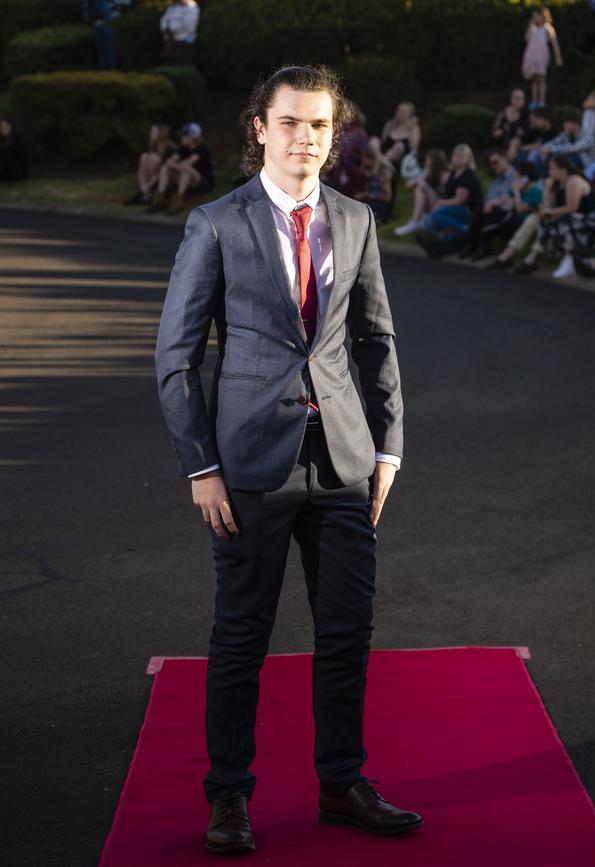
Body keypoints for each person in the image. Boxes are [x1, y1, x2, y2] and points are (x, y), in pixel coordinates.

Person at [155, 64, 421, 856]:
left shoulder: (356, 219)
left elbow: (376, 341)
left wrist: (390, 446)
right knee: (242, 635)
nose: (307, 137)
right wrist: (200, 465)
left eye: (320, 125)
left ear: (333, 135)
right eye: (292, 123)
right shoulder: (214, 224)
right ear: (260, 129)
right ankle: (229, 794)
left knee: (347, 630)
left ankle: (341, 782)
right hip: (248, 467)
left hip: (343, 462)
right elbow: (176, 356)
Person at [515, 154, 595, 278]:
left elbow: (571, 207)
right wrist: (547, 190)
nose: (549, 171)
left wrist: (548, 212)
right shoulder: (557, 184)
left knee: (561, 220)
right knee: (541, 219)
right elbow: (548, 206)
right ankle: (531, 255)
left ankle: (570, 258)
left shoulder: (573, 180)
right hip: (574, 218)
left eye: (552, 168)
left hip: (590, 218)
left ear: (562, 169)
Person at [415, 143, 482, 258]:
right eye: (456, 154)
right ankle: (438, 246)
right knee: (434, 217)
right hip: (454, 209)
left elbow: (459, 200)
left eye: (463, 155)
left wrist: (440, 203)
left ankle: (464, 230)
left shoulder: (468, 176)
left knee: (437, 216)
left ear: (469, 159)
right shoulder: (453, 174)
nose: (459, 157)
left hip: (467, 211)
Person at [458, 149, 515, 261]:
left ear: (505, 160)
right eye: (491, 164)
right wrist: (488, 204)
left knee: (485, 211)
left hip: (508, 214)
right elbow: (488, 199)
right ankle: (473, 245)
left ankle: (480, 246)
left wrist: (491, 204)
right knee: (480, 210)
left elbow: (510, 196)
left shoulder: (514, 175)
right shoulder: (496, 180)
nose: (493, 166)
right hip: (493, 212)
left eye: (495, 162)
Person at [488, 161, 544, 269]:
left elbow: (520, 209)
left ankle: (507, 257)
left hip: (523, 219)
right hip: (516, 218)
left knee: (502, 222)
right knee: (489, 214)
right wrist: (491, 203)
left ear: (525, 177)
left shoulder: (536, 190)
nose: (516, 179)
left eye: (518, 176)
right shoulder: (521, 188)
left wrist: (517, 193)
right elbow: (504, 198)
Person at [149, 122, 213, 214]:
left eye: (184, 135)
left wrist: (175, 165)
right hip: (185, 178)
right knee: (165, 168)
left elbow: (188, 163)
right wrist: (175, 165)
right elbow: (169, 161)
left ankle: (179, 200)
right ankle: (160, 197)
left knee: (186, 170)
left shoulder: (203, 148)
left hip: (202, 181)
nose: (181, 137)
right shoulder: (184, 148)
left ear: (192, 137)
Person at [393, 148, 448, 236]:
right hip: (433, 203)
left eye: (428, 159)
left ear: (434, 161)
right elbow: (408, 185)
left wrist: (423, 184)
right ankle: (415, 221)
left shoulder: (445, 175)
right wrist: (419, 180)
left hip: (442, 205)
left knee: (422, 186)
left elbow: (446, 195)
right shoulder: (428, 171)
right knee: (419, 188)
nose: (426, 161)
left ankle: (415, 221)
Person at [124, 124, 176, 205]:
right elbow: (141, 170)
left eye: (154, 131)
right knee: (144, 156)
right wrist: (143, 186)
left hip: (163, 178)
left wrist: (147, 186)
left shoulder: (169, 147)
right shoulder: (153, 146)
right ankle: (145, 191)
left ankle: (148, 192)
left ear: (161, 133)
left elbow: (163, 170)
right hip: (150, 179)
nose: (151, 133)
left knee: (154, 158)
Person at [521, 5, 563, 107]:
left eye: (537, 16)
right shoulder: (533, 28)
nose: (535, 18)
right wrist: (529, 27)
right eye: (534, 17)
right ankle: (535, 101)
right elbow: (526, 39)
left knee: (541, 77)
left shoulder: (548, 28)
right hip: (532, 55)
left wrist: (558, 57)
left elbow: (554, 43)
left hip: (542, 55)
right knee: (534, 78)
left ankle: (542, 101)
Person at [507, 105, 556, 171]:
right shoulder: (535, 129)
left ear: (547, 120)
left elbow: (540, 146)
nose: (535, 121)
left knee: (533, 153)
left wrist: (520, 148)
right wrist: (512, 148)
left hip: (541, 161)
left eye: (538, 119)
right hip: (526, 157)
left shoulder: (554, 133)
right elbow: (518, 138)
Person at [353, 147, 393, 223]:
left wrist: (366, 195)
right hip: (371, 202)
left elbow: (387, 197)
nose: (363, 163)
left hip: (380, 206)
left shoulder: (383, 173)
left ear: (371, 160)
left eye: (365, 161)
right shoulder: (370, 172)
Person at [83, 0, 117, 70]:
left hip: (105, 23)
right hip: (101, 23)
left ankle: (109, 69)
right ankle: (106, 70)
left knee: (107, 49)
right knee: (104, 49)